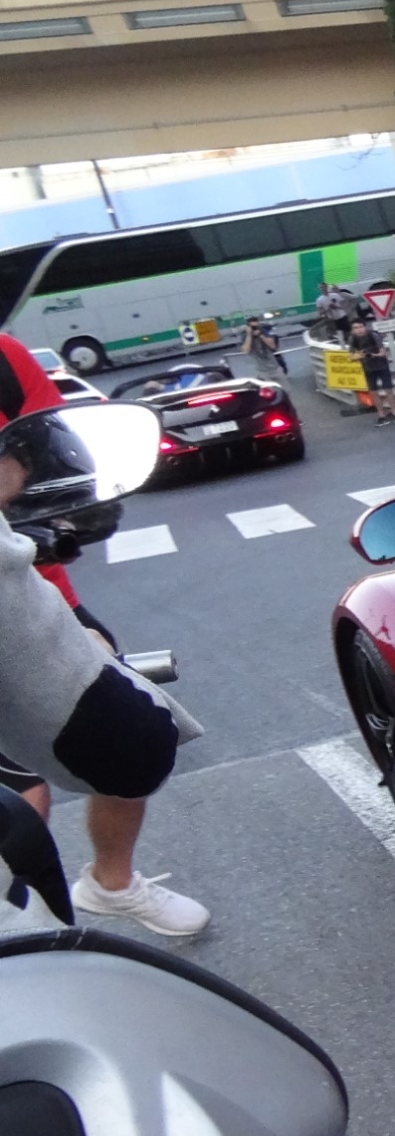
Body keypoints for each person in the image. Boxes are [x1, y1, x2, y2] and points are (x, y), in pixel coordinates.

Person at [0, 334, 209, 937]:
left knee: (127, 742)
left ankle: (110, 884)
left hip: (30, 591)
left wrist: (46, 506)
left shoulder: (4, 361)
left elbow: (62, 463)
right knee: (22, 791)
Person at [348, 313, 395, 423]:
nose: (359, 330)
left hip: (381, 365)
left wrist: (371, 355)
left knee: (388, 389)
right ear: (352, 330)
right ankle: (381, 414)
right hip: (367, 367)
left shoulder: (373, 335)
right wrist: (360, 355)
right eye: (356, 328)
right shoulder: (353, 339)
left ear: (365, 326)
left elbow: (382, 353)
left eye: (360, 327)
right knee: (373, 392)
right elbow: (351, 357)